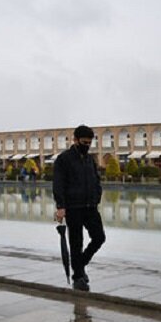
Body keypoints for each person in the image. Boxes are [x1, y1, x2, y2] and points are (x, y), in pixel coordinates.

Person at [53, 125, 105, 291]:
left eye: (89, 143)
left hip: (90, 207)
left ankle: (79, 265)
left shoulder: (90, 159)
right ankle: (78, 277)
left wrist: (97, 197)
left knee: (99, 238)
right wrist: (61, 207)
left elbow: (96, 181)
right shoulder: (64, 159)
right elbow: (58, 184)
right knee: (76, 243)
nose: (87, 145)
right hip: (73, 208)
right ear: (75, 140)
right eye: (84, 142)